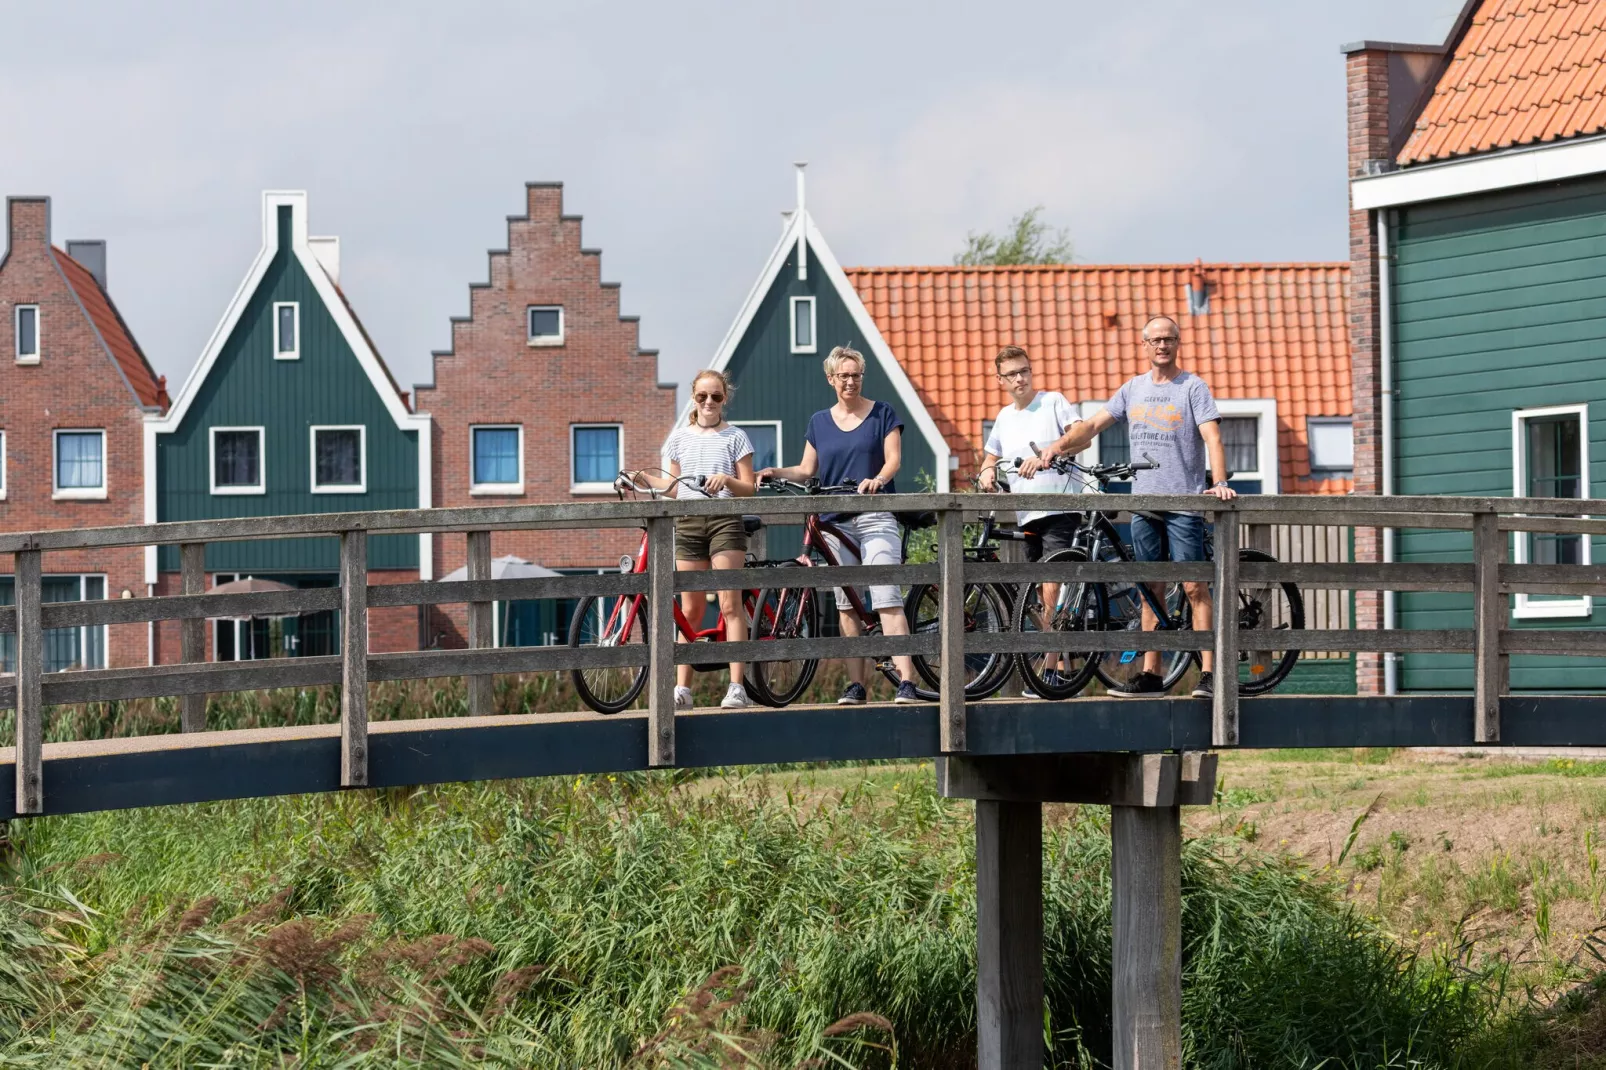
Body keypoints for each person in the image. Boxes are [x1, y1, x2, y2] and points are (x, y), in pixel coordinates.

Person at [1027, 315, 1236, 698]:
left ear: (1178, 343)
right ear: (1144, 345)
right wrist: (1056, 447)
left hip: (1183, 501)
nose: (1161, 345)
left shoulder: (1193, 387)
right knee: (1148, 589)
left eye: (1168, 339)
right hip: (1143, 503)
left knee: (1194, 586)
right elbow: (1091, 426)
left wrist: (1219, 483)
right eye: (1155, 340)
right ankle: (1151, 674)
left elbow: (1212, 437)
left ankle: (1210, 673)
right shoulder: (1132, 389)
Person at [757, 345, 920, 704]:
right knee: (846, 605)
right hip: (834, 522)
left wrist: (878, 479)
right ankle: (856, 685)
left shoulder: (882, 413)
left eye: (856, 374)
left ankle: (906, 679)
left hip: (874, 515)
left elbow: (894, 460)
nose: (850, 381)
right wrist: (774, 471)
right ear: (831, 379)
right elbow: (806, 469)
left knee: (886, 597)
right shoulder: (819, 421)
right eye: (843, 375)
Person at [628, 369, 756, 710]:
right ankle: (683, 689)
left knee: (730, 604)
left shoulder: (736, 437)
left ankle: (736, 686)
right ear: (694, 399)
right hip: (687, 522)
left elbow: (750, 488)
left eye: (715, 396)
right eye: (702, 397)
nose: (709, 402)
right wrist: (638, 477)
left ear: (724, 399)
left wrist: (726, 479)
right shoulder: (679, 438)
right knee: (691, 609)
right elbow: (672, 487)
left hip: (724, 520)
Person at [976, 345, 1084, 688]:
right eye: (1012, 374)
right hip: (1027, 513)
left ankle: (1048, 671)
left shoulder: (1053, 401)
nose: (1020, 378)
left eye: (1025, 370)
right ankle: (1064, 667)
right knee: (1038, 593)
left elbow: (1080, 436)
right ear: (1000, 380)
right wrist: (986, 472)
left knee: (1051, 584)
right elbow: (989, 457)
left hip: (1060, 506)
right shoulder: (1005, 417)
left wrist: (1051, 452)